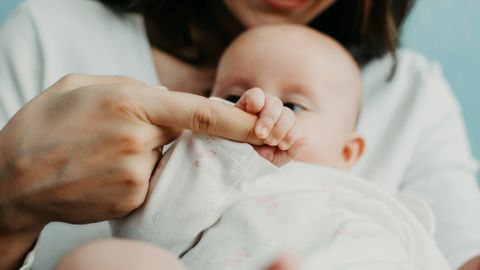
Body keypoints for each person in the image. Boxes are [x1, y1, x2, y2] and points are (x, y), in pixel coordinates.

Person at [0, 0, 479, 269]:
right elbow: (150, 231)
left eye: (292, 106)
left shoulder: (376, 200)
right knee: (101, 260)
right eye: (232, 99)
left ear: (350, 150)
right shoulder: (200, 163)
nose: (259, 109)